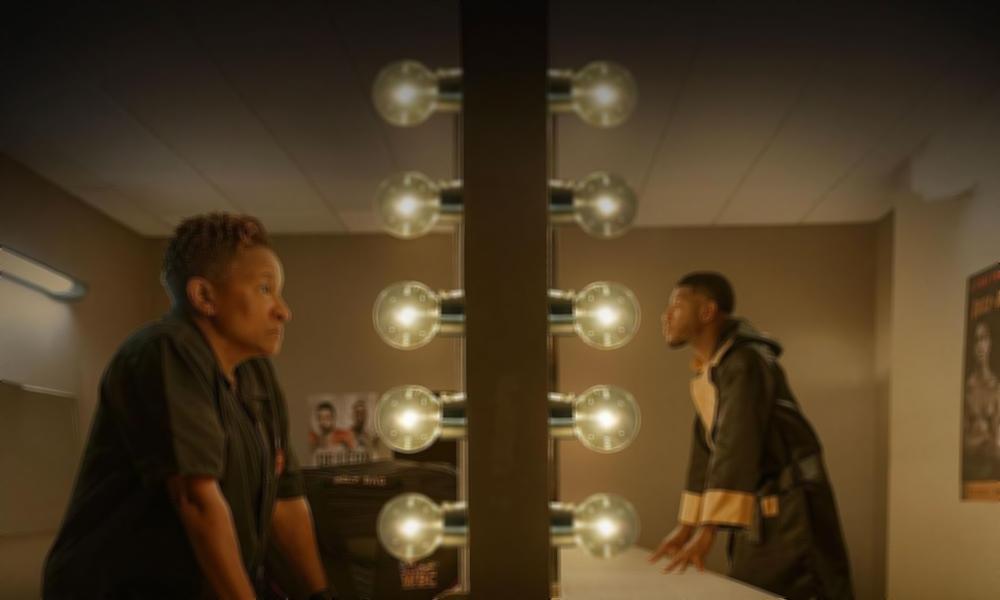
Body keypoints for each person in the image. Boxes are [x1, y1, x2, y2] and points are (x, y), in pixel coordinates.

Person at [43, 213, 334, 599]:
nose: (283, 310)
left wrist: (320, 597)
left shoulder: (257, 373)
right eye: (265, 289)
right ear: (204, 297)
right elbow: (195, 500)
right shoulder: (166, 351)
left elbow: (285, 502)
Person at [649, 272, 853, 600]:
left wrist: (708, 531)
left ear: (707, 311)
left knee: (801, 588)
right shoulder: (716, 368)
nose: (666, 315)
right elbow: (707, 449)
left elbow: (736, 444)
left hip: (792, 507)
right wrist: (687, 525)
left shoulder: (745, 362)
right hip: (764, 505)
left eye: (677, 305)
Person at [963, 318, 1000, 481]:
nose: (980, 345)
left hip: (993, 471)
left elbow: (997, 436)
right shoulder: (967, 388)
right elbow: (962, 441)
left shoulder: (996, 388)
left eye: (984, 338)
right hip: (971, 470)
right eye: (976, 340)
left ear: (990, 343)